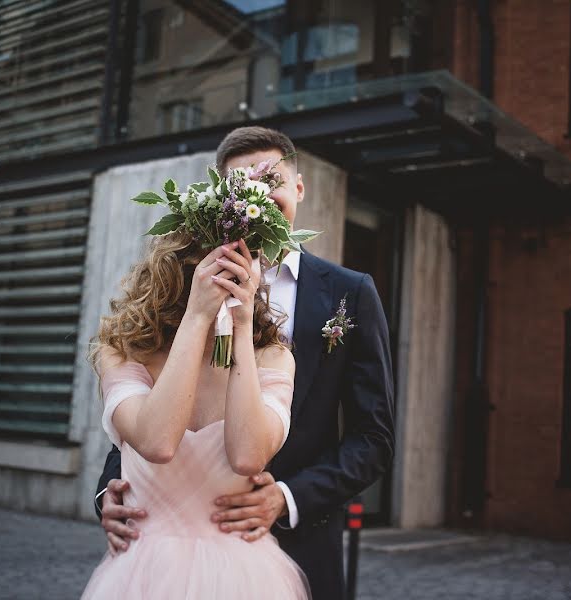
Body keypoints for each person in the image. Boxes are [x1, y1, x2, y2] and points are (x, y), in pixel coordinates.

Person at [96, 126, 396, 600]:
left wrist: (287, 498)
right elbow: (139, 406)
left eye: (272, 180)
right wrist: (108, 492)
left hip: (300, 548)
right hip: (162, 554)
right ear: (220, 201)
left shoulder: (349, 294)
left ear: (298, 187)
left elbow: (373, 438)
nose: (259, 194)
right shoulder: (185, 291)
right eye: (242, 186)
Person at [81, 231, 310, 598]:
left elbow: (248, 455)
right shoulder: (124, 353)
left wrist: (241, 328)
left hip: (244, 578)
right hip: (145, 576)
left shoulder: (273, 358)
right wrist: (197, 317)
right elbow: (157, 442)